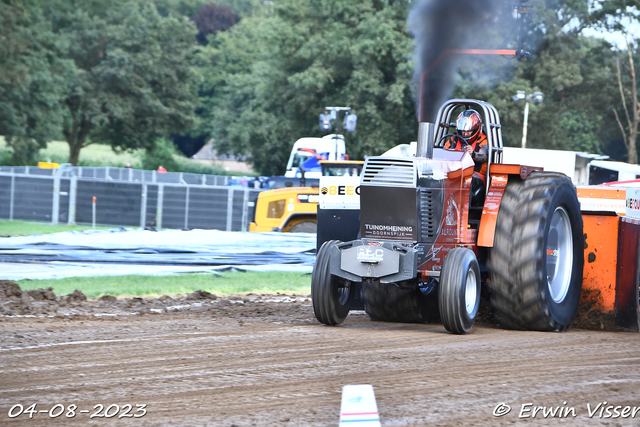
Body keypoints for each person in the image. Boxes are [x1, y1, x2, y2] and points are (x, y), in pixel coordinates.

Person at [444, 109, 488, 204]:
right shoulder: (453, 139)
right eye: (463, 131)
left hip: (475, 174)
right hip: (454, 172)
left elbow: (485, 155)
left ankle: (464, 210)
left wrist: (473, 154)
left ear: (476, 129)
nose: (465, 134)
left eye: (468, 131)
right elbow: (443, 152)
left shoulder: (482, 140)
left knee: (467, 180)